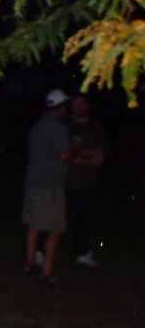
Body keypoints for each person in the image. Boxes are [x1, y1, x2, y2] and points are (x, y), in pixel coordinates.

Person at [22, 89, 71, 284]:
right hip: (49, 187)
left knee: (34, 224)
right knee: (56, 228)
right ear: (61, 107)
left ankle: (30, 262)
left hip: (33, 184)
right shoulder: (56, 128)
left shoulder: (38, 126)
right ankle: (47, 271)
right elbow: (64, 155)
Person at [66, 93, 110, 267]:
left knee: (85, 219)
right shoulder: (64, 124)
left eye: (81, 103)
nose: (78, 107)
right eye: (75, 103)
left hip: (87, 183)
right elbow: (62, 153)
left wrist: (77, 154)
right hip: (64, 181)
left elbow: (101, 155)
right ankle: (42, 252)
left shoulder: (96, 127)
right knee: (55, 219)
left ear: (88, 105)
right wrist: (86, 155)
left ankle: (83, 253)